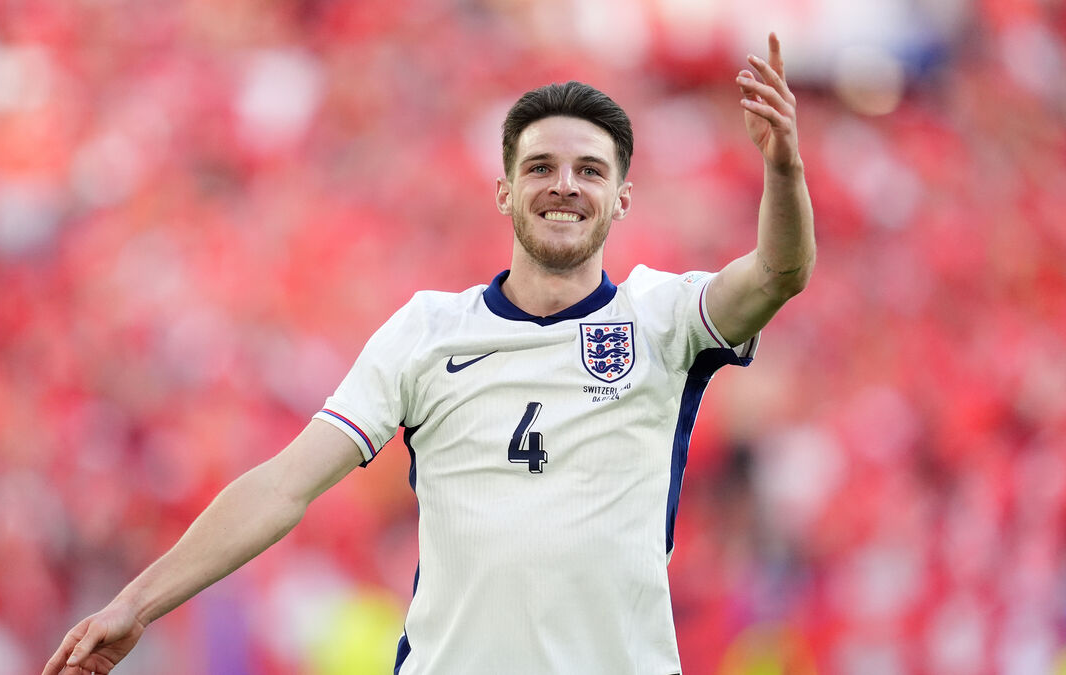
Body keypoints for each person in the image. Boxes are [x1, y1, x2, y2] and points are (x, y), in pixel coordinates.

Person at [44, 32, 813, 675]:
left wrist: (783, 169)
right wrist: (136, 603)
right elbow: (284, 485)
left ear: (622, 199)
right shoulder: (428, 331)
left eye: (590, 170)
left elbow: (779, 273)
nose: (564, 186)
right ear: (504, 192)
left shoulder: (663, 316)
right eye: (540, 167)